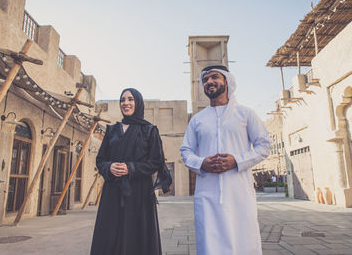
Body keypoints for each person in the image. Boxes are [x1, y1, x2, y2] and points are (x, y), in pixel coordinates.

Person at [180, 65, 270, 255]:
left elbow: (264, 146)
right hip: (207, 193)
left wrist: (237, 160)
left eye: (214, 77)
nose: (209, 82)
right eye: (205, 80)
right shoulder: (198, 119)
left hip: (239, 192)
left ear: (227, 82)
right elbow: (186, 150)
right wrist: (201, 163)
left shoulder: (246, 114)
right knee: (209, 244)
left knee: (244, 242)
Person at [91, 88, 172, 255]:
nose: (126, 103)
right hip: (112, 191)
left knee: (137, 237)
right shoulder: (112, 130)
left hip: (139, 193)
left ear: (138, 102)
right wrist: (109, 166)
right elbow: (100, 160)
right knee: (110, 235)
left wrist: (131, 168)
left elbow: (156, 162)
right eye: (122, 100)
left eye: (130, 99)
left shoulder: (149, 130)